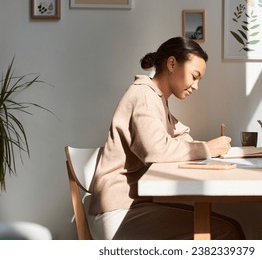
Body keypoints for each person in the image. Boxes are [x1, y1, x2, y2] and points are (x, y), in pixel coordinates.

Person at [88, 37, 245, 240]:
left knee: (230, 225)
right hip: (117, 211)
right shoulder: (144, 95)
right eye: (194, 76)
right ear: (172, 64)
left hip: (133, 203)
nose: (196, 86)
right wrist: (207, 148)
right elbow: (155, 150)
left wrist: (206, 147)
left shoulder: (157, 99)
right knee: (226, 231)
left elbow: (181, 135)